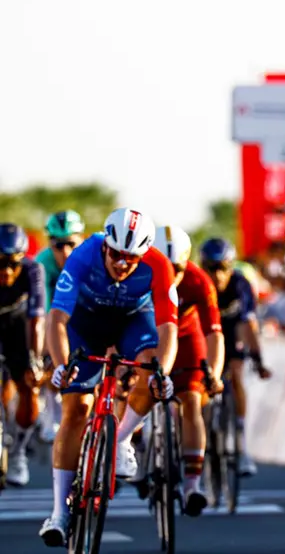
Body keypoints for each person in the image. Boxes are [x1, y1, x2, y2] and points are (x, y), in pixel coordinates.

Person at [39, 208, 178, 547]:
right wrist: (60, 365)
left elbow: (168, 327)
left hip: (134, 319)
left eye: (131, 258)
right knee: (75, 410)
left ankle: (121, 436)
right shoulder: (84, 254)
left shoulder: (159, 265)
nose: (121, 263)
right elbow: (56, 318)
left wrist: (164, 372)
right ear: (105, 246)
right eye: (115, 254)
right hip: (85, 322)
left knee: (150, 368)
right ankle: (59, 512)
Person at [150, 225, 224, 516]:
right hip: (150, 335)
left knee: (192, 402)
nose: (172, 276)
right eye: (165, 268)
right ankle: (140, 446)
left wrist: (215, 373)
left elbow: (214, 333)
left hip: (185, 337)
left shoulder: (199, 281)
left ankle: (193, 485)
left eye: (178, 268)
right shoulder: (139, 275)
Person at [199, 238, 271, 477]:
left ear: (232, 267)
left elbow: (248, 324)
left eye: (223, 268)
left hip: (233, 332)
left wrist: (258, 360)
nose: (217, 275)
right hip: (206, 335)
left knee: (237, 374)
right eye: (211, 267)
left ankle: (241, 443)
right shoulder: (199, 284)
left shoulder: (241, 285)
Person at [0, 223, 46, 487]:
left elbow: (36, 320)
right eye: (0, 264)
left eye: (12, 264)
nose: (6, 272)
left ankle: (18, 452)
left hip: (18, 327)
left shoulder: (32, 270)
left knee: (29, 386)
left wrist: (35, 359)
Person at [35, 210, 85, 443]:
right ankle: (52, 405)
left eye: (71, 244)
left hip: (85, 313)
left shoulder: (94, 256)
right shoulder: (42, 263)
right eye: (58, 245)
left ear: (82, 239)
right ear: (49, 244)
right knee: (50, 352)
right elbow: (44, 309)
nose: (65, 252)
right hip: (56, 314)